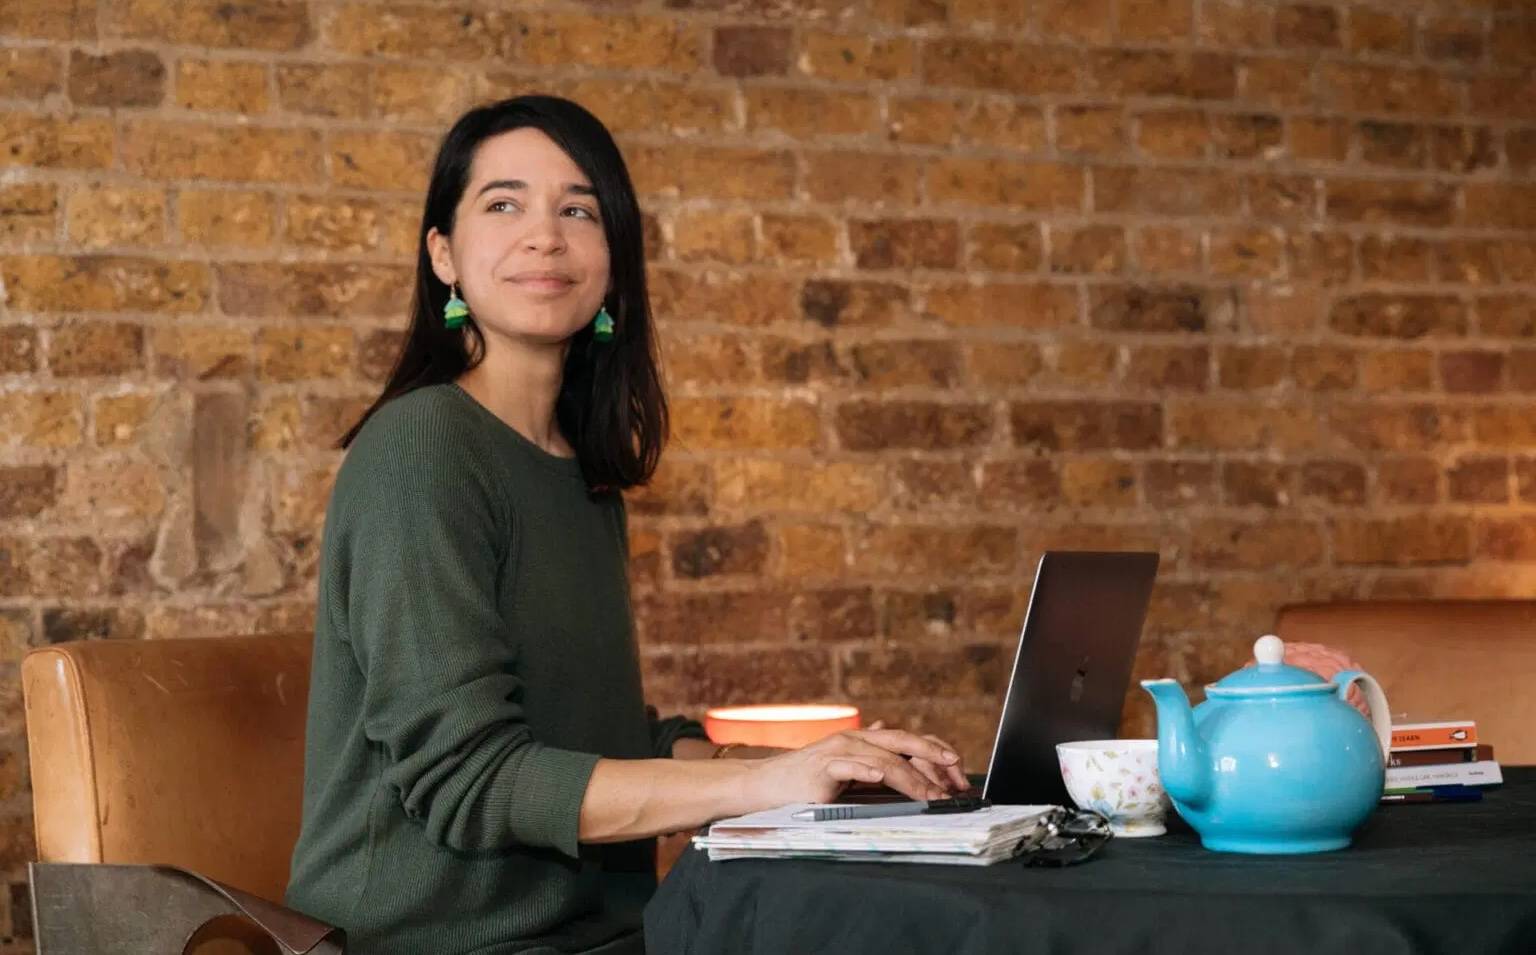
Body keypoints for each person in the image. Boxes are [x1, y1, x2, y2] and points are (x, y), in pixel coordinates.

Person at [285, 94, 970, 955]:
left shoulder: (582, 471)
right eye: (504, 205)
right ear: (444, 254)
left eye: (578, 211)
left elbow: (605, 739)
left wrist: (822, 765)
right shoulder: (421, 449)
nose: (545, 236)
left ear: (613, 262)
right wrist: (762, 787)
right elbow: (472, 778)